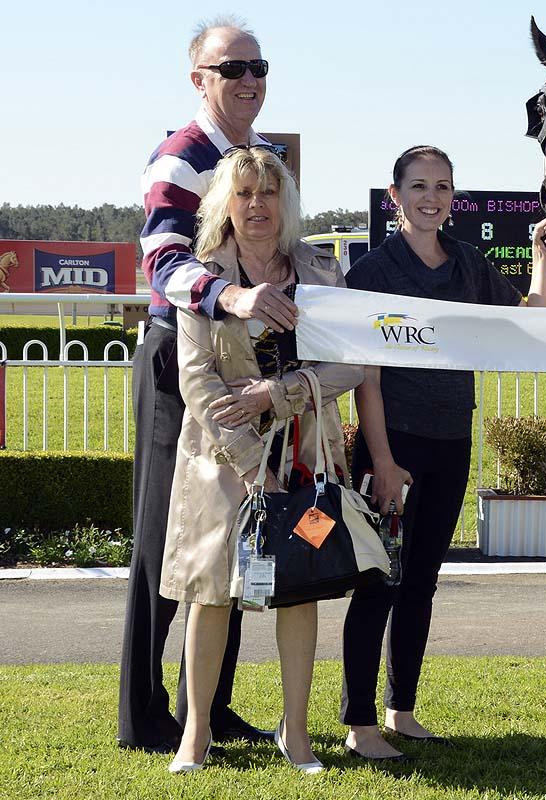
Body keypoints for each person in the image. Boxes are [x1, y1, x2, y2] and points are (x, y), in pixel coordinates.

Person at [339, 146, 546, 761]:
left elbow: (530, 316)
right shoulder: (374, 271)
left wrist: (544, 262)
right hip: (393, 448)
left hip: (451, 444)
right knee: (378, 581)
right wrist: (381, 460)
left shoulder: (467, 263)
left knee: (422, 583)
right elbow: (367, 377)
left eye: (441, 186)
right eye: (418, 186)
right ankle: (358, 724)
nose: (430, 197)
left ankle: (400, 709)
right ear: (395, 195)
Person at [119, 16, 296, 753]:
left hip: (243, 362)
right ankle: (145, 717)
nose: (249, 79)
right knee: (170, 540)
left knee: (235, 536)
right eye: (233, 69)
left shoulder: (256, 158)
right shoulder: (181, 155)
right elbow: (162, 259)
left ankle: (210, 710)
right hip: (180, 356)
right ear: (201, 80)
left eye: (259, 66)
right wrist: (233, 296)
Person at [159, 146, 363, 774]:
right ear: (225, 202)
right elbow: (196, 379)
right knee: (210, 594)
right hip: (220, 462)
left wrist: (281, 393)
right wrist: (255, 468)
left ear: (287, 202)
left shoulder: (323, 275)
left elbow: (355, 365)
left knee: (300, 590)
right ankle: (195, 735)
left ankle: (296, 735)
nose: (257, 206)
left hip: (308, 459)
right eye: (244, 194)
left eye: (269, 194)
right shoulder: (201, 278)